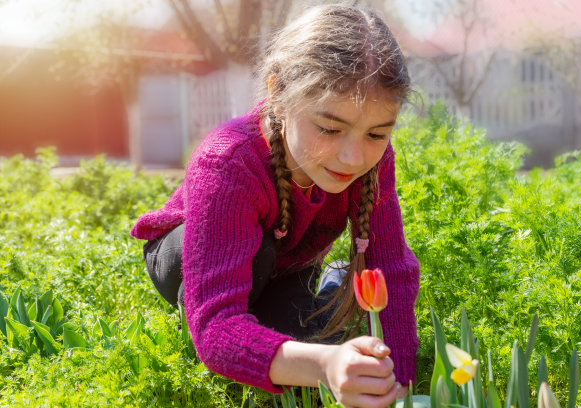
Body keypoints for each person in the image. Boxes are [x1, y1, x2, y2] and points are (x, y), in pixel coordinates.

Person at [130, 4, 420, 407]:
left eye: (376, 133)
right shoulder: (229, 161)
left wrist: (397, 382)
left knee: (320, 344)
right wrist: (323, 366)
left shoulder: (374, 162)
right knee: (274, 303)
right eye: (330, 128)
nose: (353, 157)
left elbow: (391, 269)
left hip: (289, 265)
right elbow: (218, 330)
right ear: (278, 94)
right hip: (189, 252)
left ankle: (322, 290)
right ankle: (194, 303)